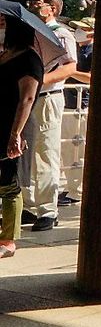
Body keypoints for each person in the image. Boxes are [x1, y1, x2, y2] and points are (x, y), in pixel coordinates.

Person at [22, 0, 76, 232]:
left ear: (51, 8)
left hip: (47, 98)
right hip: (27, 98)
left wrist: (38, 80)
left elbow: (68, 68)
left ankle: (47, 210)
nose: (32, 5)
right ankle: (29, 204)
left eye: (37, 2)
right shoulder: (28, 32)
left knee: (46, 152)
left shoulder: (61, 34)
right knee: (24, 152)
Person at [0, 16, 44, 257]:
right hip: (2, 124)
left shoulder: (29, 59)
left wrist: (15, 133)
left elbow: (27, 98)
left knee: (9, 183)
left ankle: (8, 239)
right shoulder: (8, 55)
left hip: (15, 127)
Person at [59, 16, 95, 207]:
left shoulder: (93, 51)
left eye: (83, 28)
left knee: (78, 147)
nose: (78, 32)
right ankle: (71, 187)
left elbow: (91, 78)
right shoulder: (80, 50)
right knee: (67, 149)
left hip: (82, 104)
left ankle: (77, 190)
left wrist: (69, 72)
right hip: (70, 103)